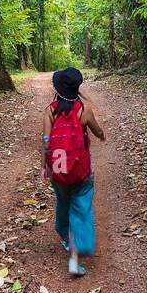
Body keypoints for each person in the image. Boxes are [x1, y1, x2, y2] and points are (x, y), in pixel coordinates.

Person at [41, 67, 105, 277]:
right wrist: (102, 135)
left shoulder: (50, 110)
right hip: (80, 170)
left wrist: (45, 167)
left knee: (63, 201)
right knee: (81, 208)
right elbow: (97, 131)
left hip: (58, 169)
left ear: (58, 89)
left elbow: (46, 143)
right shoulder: (83, 110)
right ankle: (75, 258)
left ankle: (64, 234)